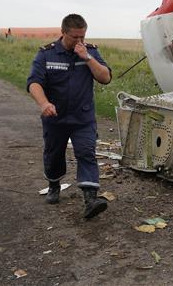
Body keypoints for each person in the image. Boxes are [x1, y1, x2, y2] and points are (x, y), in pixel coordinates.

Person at [27, 14, 112, 218]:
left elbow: (105, 77)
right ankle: (54, 184)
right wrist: (44, 103)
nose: (79, 41)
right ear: (63, 32)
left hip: (82, 118)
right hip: (55, 118)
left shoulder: (90, 52)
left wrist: (87, 58)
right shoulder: (46, 54)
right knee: (54, 155)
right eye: (75, 37)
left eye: (82, 36)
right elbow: (34, 83)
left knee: (86, 152)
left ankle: (91, 199)